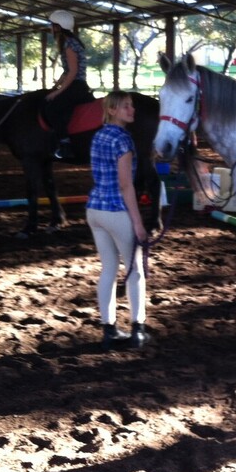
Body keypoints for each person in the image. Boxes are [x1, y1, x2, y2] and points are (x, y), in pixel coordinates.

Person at [86, 91, 149, 350]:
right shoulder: (123, 140)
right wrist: (137, 222)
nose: (131, 110)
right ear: (112, 110)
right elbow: (126, 186)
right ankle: (138, 329)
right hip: (116, 210)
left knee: (109, 269)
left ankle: (108, 329)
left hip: (94, 209)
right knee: (135, 271)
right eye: (125, 106)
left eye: (131, 106)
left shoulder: (99, 135)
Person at [43, 10, 93, 159]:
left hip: (76, 85)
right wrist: (55, 86)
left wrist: (57, 92)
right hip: (77, 83)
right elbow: (66, 72)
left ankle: (65, 145)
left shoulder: (69, 44)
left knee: (53, 109)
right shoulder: (71, 41)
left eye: (52, 26)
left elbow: (72, 72)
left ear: (58, 27)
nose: (51, 29)